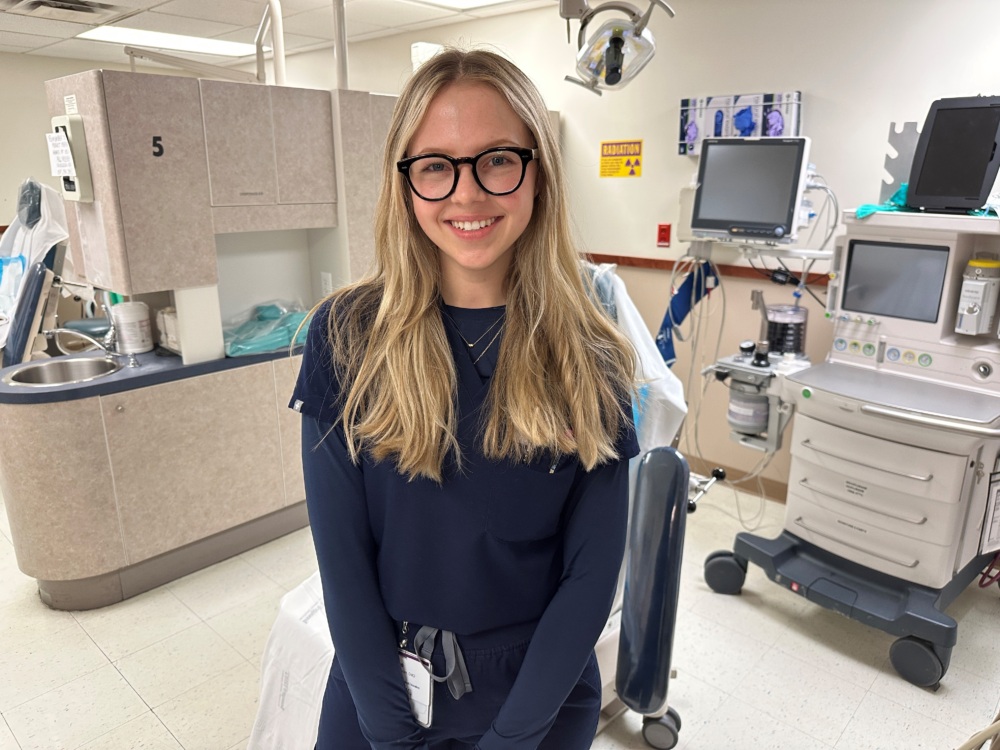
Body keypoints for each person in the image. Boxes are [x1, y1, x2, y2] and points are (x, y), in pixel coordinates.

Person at [290, 47, 639, 750]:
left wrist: (511, 742)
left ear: (537, 170)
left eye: (498, 159)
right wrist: (391, 734)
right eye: (436, 166)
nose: (466, 193)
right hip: (382, 684)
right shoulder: (348, 335)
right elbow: (342, 559)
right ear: (406, 183)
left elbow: (591, 577)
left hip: (539, 692)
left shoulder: (590, 353)